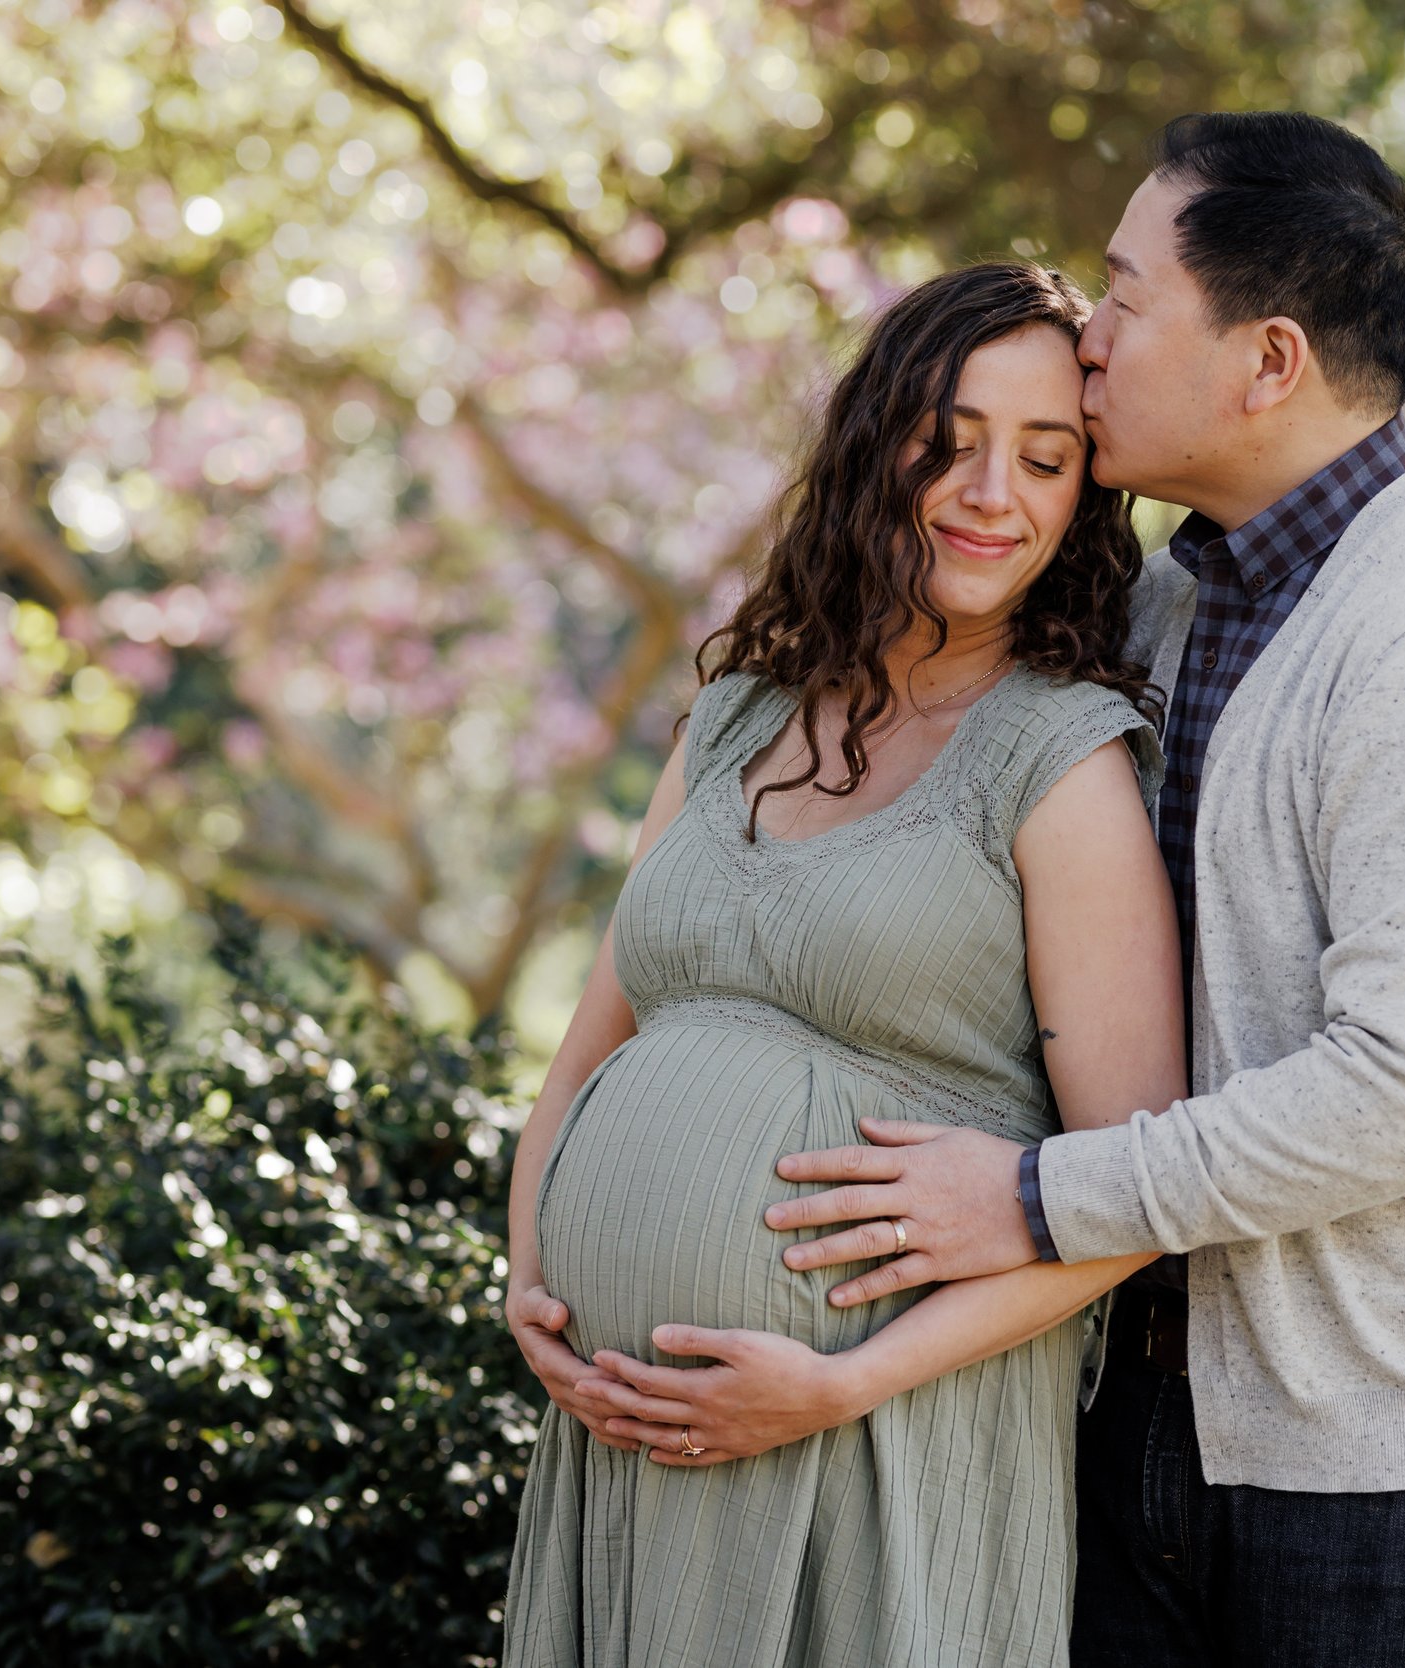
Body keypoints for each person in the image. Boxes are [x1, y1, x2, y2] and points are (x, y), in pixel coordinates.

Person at [692, 112, 1405, 1665]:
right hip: (1143, 1416)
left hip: (1383, 1475)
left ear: (1267, 362)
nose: (1090, 341)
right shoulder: (1177, 593)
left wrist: (1033, 1202)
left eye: (1124, 300)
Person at [495, 260, 1187, 1668]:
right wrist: (532, 1275)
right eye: (951, 439)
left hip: (880, 1438)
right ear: (878, 442)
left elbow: (1132, 1192)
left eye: (1045, 459)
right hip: (620, 1440)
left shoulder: (1062, 766)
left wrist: (838, 1382)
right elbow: (589, 1051)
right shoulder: (739, 711)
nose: (993, 491)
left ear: (1084, 497)